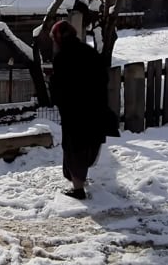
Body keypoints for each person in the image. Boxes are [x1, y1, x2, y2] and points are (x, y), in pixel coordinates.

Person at [48, 20, 120, 200]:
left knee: (74, 148)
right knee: (88, 145)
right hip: (95, 108)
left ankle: (78, 189)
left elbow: (61, 86)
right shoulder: (89, 52)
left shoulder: (62, 56)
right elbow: (103, 78)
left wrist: (53, 87)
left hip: (75, 111)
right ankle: (79, 179)